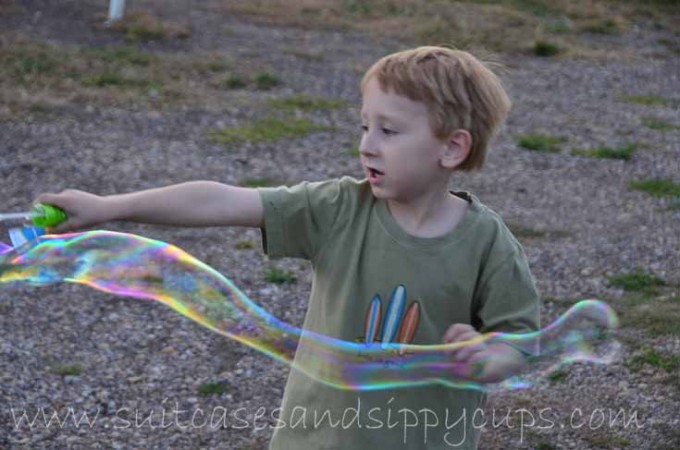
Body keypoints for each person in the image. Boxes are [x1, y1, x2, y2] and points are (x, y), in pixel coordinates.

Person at [37, 46, 540, 449]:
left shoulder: (488, 244)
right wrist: (108, 206)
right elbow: (221, 200)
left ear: (452, 147)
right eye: (365, 125)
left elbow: (517, 339)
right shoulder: (339, 208)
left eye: (389, 130)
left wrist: (486, 360)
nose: (367, 144)